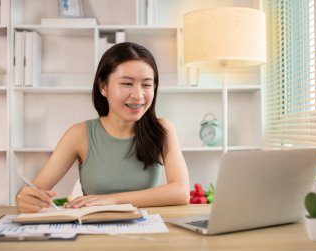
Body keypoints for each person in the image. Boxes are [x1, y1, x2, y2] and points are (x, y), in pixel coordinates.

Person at [16, 42, 190, 213]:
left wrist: (111, 200)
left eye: (146, 84)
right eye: (127, 83)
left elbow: (181, 192)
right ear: (103, 87)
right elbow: (34, 190)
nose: (138, 95)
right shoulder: (79, 134)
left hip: (143, 230)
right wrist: (24, 198)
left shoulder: (162, 130)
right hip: (93, 233)